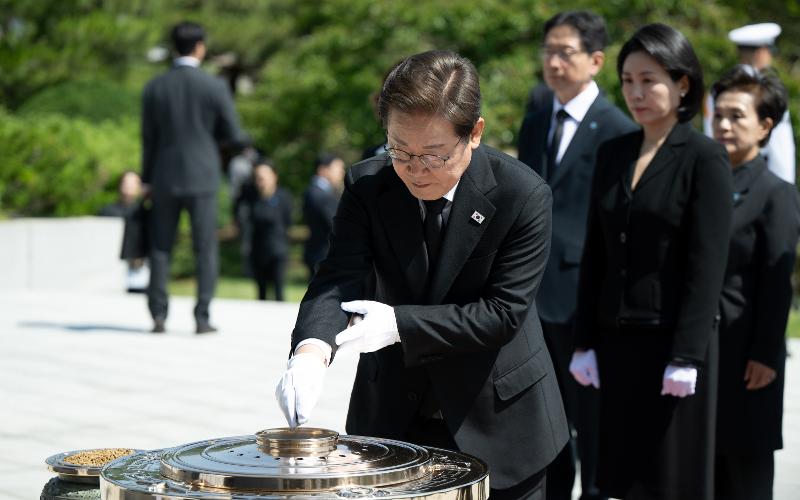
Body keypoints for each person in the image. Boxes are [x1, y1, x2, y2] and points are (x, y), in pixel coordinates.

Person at [276, 50, 568, 500]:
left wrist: (398, 325)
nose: (414, 170)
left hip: (498, 417)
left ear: (474, 133)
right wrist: (311, 351)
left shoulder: (522, 194)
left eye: (433, 155)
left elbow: (502, 313)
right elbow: (338, 277)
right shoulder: (368, 186)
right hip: (394, 417)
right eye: (400, 150)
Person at [568, 24, 733, 500]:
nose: (636, 92)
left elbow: (707, 265)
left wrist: (686, 355)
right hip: (616, 341)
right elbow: (595, 252)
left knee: (672, 476)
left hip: (672, 345)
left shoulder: (705, 158)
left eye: (649, 79)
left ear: (683, 84)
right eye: (628, 80)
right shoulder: (613, 153)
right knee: (618, 476)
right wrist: (584, 341)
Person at [517, 11, 637, 500]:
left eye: (565, 52)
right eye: (548, 51)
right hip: (528, 292)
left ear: (596, 61)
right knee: (540, 416)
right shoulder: (538, 112)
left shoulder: (616, 128)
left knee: (588, 415)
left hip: (582, 295)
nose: (554, 62)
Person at [710, 65, 800, 500]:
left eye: (736, 116)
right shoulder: (702, 179)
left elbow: (777, 279)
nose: (724, 125)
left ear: (765, 126)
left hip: (748, 354)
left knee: (744, 470)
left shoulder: (775, 192)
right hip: (704, 350)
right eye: (718, 114)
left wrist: (766, 353)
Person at [141, 21, 247, 334]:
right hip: (202, 175)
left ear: (174, 47)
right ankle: (202, 317)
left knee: (160, 247)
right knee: (205, 248)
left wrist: (147, 179)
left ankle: (158, 316)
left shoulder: (155, 87)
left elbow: (148, 139)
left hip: (163, 175)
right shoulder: (213, 86)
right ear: (200, 46)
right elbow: (232, 133)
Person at [703, 22, 795, 184]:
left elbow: (710, 136)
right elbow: (781, 150)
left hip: (719, 174)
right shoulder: (768, 93)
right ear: (762, 52)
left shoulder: (718, 90)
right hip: (759, 179)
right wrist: (784, 188)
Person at [236, 159, 293, 301]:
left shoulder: (284, 197)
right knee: (261, 294)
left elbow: (287, 221)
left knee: (279, 292)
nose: (261, 180)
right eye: (258, 177)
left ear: (274, 176)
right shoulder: (250, 198)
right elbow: (242, 218)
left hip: (278, 249)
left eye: (265, 176)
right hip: (258, 250)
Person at [100, 170, 150, 293]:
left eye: (134, 183)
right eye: (126, 182)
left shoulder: (145, 212)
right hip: (113, 269)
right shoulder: (108, 211)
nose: (129, 186)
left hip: (140, 269)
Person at [302, 153, 345, 279]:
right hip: (322, 254)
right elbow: (336, 224)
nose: (342, 172)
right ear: (323, 170)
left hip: (320, 252)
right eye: (338, 168)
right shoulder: (320, 194)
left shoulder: (318, 192)